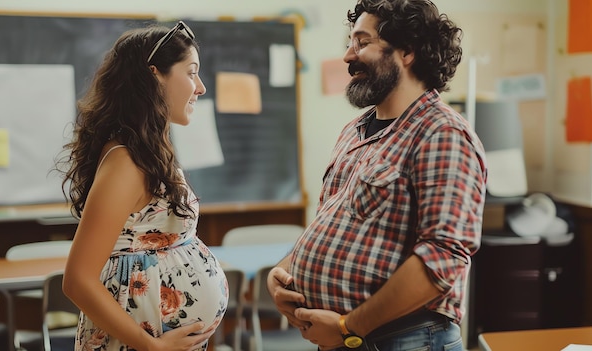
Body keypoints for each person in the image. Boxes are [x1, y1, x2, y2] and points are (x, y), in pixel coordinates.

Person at [267, 0, 487, 350]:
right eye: (349, 43)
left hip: (407, 340)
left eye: (362, 42)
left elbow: (443, 257)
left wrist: (348, 326)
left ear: (407, 51)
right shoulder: (354, 131)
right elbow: (335, 222)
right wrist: (285, 271)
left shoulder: (442, 133)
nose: (348, 56)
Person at [58, 21, 228, 351]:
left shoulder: (148, 152)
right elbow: (77, 280)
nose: (201, 87)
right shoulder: (125, 162)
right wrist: (152, 346)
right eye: (191, 73)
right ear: (154, 75)